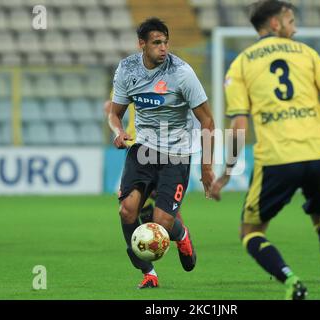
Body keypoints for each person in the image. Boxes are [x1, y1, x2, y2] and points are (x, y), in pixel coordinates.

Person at [210, 0, 320, 300]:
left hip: (277, 159)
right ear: (275, 24)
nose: (295, 28)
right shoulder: (308, 54)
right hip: (319, 154)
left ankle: (291, 281)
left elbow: (239, 126)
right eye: (291, 21)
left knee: (250, 232)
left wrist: (226, 174)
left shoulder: (240, 64)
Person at [108, 17, 215, 289]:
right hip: (143, 149)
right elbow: (114, 114)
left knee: (162, 223)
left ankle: (182, 234)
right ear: (141, 44)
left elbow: (208, 122)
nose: (163, 48)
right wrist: (117, 133)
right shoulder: (127, 70)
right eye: (157, 43)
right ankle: (148, 273)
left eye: (166, 42)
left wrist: (206, 168)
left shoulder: (182, 73)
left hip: (177, 153)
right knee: (127, 211)